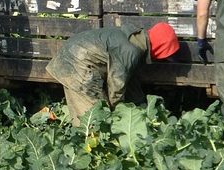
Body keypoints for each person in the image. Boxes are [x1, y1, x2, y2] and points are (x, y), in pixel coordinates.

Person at [46, 22, 180, 126]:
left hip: (74, 57)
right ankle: (91, 154)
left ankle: (50, 114)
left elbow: (129, 81)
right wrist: (122, 116)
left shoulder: (133, 38)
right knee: (95, 120)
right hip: (77, 66)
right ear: (159, 48)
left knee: (91, 115)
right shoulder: (130, 52)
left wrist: (140, 106)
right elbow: (116, 88)